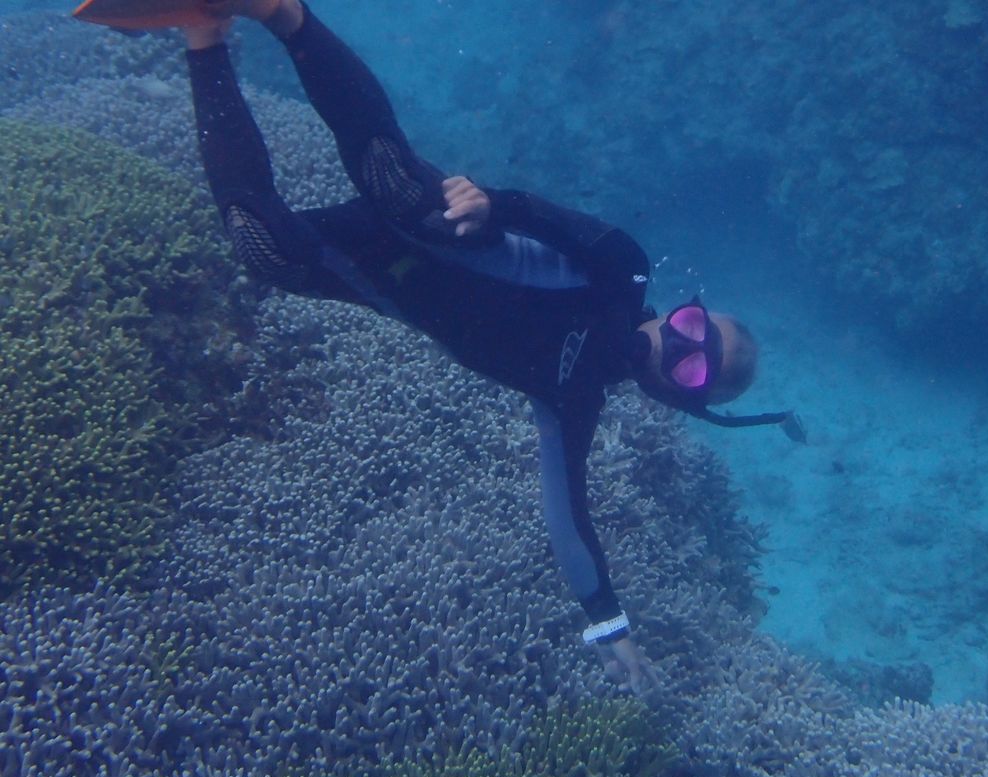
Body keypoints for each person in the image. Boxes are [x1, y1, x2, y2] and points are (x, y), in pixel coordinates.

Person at [178, 0, 799, 693]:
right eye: (693, 327)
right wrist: (493, 204)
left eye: (693, 367)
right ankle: (280, 12)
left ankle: (203, 35)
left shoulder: (572, 401)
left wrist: (609, 626)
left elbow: (570, 518)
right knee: (393, 181)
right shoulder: (624, 270)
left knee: (262, 249)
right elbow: (551, 219)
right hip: (444, 222)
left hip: (377, 276)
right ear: (684, 309)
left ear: (680, 398)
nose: (676, 345)